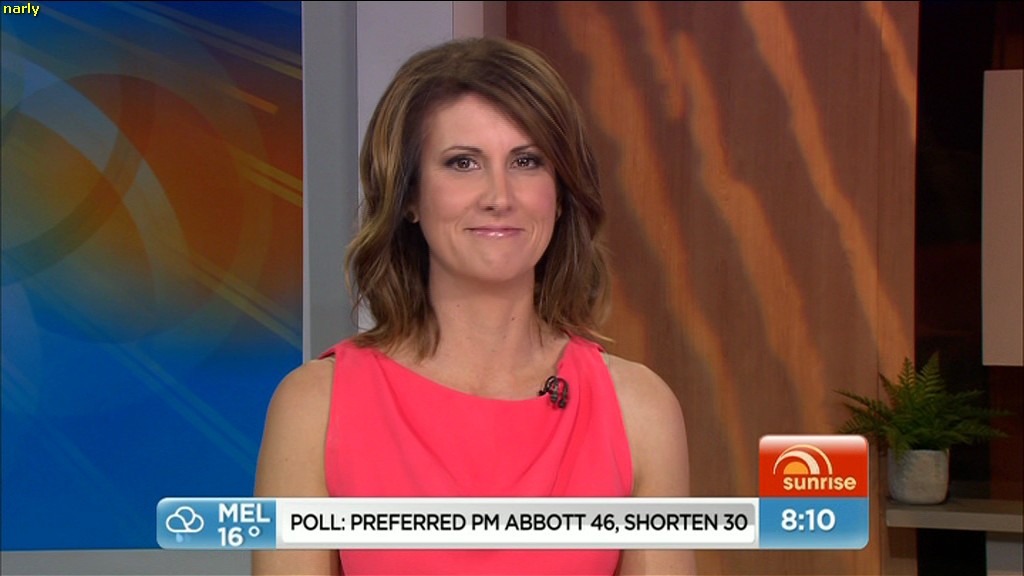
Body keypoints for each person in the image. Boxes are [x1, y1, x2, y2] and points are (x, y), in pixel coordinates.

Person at [253, 36, 695, 576]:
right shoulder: (314, 408)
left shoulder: (639, 412)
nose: (499, 196)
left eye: (527, 161)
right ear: (409, 197)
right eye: (463, 163)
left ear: (560, 195)